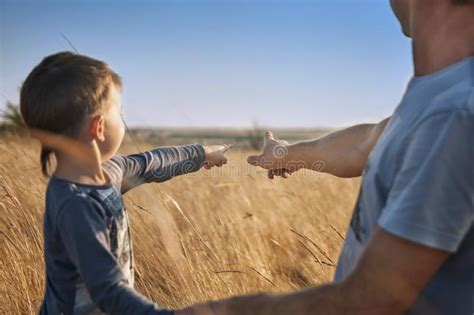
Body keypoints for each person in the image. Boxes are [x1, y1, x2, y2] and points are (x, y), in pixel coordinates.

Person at [183, 0, 474, 314]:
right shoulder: (440, 95)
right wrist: (285, 153)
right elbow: (365, 143)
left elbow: (371, 301)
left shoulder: (454, 114)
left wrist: (218, 312)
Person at [20, 51, 231, 314]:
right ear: (98, 128)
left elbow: (152, 163)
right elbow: (108, 289)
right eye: (119, 112)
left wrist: (202, 153)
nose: (123, 118)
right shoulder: (76, 205)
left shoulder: (109, 172)